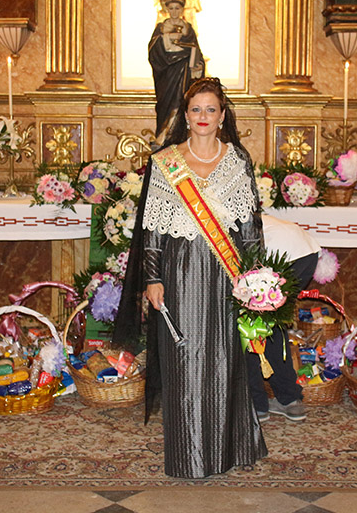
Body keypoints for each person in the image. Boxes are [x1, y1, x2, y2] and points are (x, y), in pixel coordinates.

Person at [114, 77, 266, 478]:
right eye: (196, 109)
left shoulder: (238, 161)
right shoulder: (166, 162)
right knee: (184, 362)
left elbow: (250, 227)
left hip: (226, 277)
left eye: (210, 109)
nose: (203, 116)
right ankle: (189, 456)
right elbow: (152, 230)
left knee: (224, 360)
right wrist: (152, 278)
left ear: (222, 116)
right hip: (179, 274)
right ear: (185, 115)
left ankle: (228, 450)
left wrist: (256, 279)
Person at [246, 215, 321, 422]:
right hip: (307, 252)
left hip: (280, 257)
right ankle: (290, 400)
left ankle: (256, 405)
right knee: (272, 325)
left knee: (248, 329)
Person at [148, 0, 205, 138]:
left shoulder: (188, 28)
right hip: (167, 75)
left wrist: (197, 65)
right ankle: (163, 136)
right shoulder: (161, 28)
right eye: (171, 8)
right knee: (167, 104)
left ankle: (179, 135)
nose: (174, 12)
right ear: (166, 9)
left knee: (182, 102)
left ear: (182, 9)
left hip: (184, 73)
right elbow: (153, 52)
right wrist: (166, 40)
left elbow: (196, 51)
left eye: (177, 8)